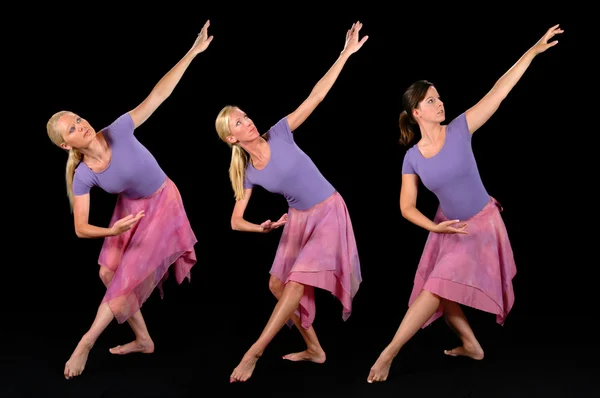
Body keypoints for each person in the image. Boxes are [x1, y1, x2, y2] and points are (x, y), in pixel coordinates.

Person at [367, 24, 563, 383]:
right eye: (431, 101)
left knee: (436, 285)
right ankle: (472, 345)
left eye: (439, 97)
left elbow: (498, 91)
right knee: (441, 286)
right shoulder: (412, 158)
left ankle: (388, 352)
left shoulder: (459, 129)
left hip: (481, 225)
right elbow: (406, 207)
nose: (440, 103)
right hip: (448, 227)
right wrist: (434, 227)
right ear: (416, 113)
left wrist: (532, 52)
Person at [46, 20, 214, 379]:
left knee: (125, 276)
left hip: (163, 202)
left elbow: (158, 95)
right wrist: (113, 231)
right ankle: (143, 338)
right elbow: (79, 228)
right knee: (108, 271)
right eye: (72, 129)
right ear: (66, 144)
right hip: (131, 211)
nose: (81, 125)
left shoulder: (118, 128)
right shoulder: (82, 175)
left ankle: (85, 343)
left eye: (77, 118)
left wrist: (192, 52)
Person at [215, 21, 368, 383]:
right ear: (231, 138)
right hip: (298, 220)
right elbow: (236, 220)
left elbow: (316, 95)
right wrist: (261, 226)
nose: (247, 122)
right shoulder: (248, 172)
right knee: (276, 286)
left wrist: (344, 54)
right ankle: (315, 348)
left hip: (329, 211)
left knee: (296, 282)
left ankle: (254, 352)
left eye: (245, 116)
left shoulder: (281, 132)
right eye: (238, 122)